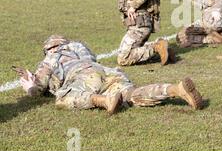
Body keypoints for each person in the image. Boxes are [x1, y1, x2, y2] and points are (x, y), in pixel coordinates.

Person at [19, 35, 203, 115]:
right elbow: (92, 58)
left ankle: (104, 101)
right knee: (132, 94)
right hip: (107, 72)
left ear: (49, 48)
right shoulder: (79, 47)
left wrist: (29, 85)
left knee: (63, 98)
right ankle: (175, 89)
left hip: (82, 77)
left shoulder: (50, 58)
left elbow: (38, 89)